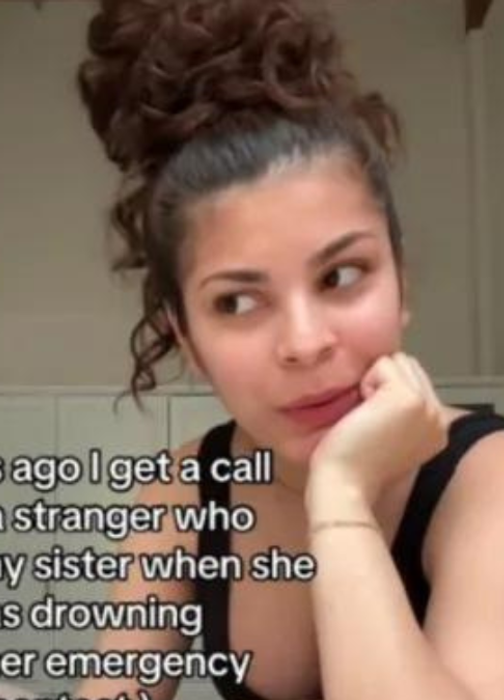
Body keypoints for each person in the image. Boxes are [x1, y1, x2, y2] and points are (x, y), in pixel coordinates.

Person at [69, 1, 504, 699]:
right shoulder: (189, 490)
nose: (304, 343)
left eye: (341, 276)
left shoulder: (487, 479)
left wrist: (340, 500)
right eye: (238, 303)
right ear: (187, 340)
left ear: (401, 283)